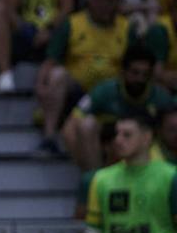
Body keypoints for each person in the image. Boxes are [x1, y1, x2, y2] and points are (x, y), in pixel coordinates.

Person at [36, 0, 133, 154]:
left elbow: (135, 65)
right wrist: (41, 85)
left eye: (114, 0)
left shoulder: (126, 28)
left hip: (112, 93)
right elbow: (50, 61)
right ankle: (49, 138)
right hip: (77, 93)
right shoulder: (72, 24)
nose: (109, 5)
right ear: (92, 0)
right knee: (57, 75)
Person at [64, 44, 172, 172]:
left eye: (145, 74)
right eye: (135, 73)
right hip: (104, 149)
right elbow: (70, 126)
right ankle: (94, 178)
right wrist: (80, 160)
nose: (140, 79)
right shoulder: (103, 91)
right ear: (123, 72)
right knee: (87, 124)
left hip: (148, 150)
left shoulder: (162, 98)